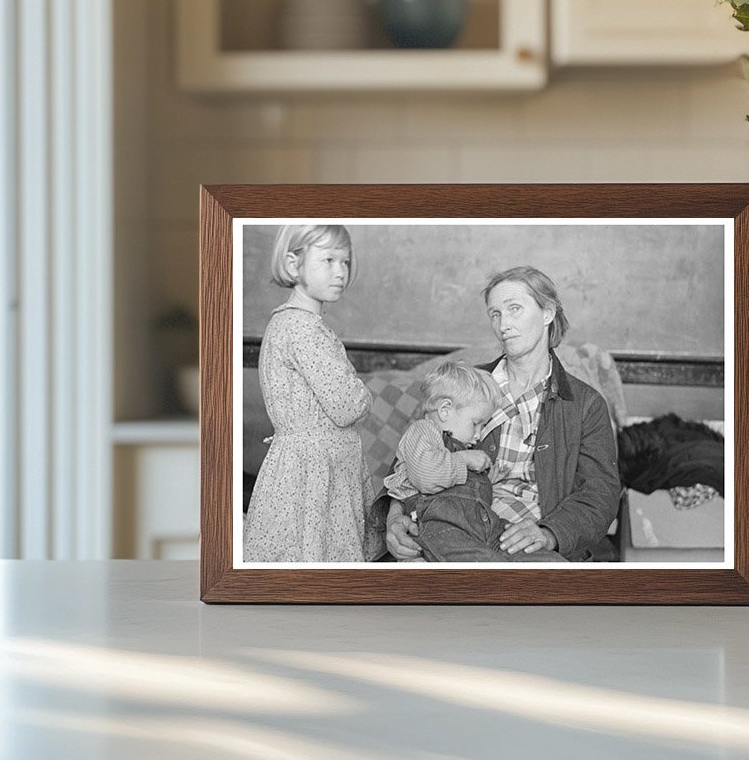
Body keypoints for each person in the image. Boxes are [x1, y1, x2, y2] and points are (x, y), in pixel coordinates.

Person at [384, 266, 621, 562]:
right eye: (495, 314)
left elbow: (600, 494)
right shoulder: (463, 385)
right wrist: (394, 519)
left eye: (514, 309)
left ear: (547, 313)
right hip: (454, 529)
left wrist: (549, 533)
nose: (503, 324)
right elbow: (409, 459)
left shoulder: (585, 404)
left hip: (528, 540)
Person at [243, 224, 372, 563]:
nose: (340, 272)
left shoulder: (291, 323)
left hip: (312, 465)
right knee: (315, 559)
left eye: (345, 262)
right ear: (292, 264)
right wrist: (362, 393)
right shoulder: (304, 329)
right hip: (314, 472)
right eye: (328, 260)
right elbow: (348, 405)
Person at [384, 361, 567, 563]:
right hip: (442, 527)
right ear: (445, 410)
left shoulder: (458, 444)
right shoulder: (423, 431)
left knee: (547, 562)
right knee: (488, 567)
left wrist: (487, 479)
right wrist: (464, 459)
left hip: (483, 527)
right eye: (476, 423)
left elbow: (459, 484)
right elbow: (427, 476)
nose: (479, 435)